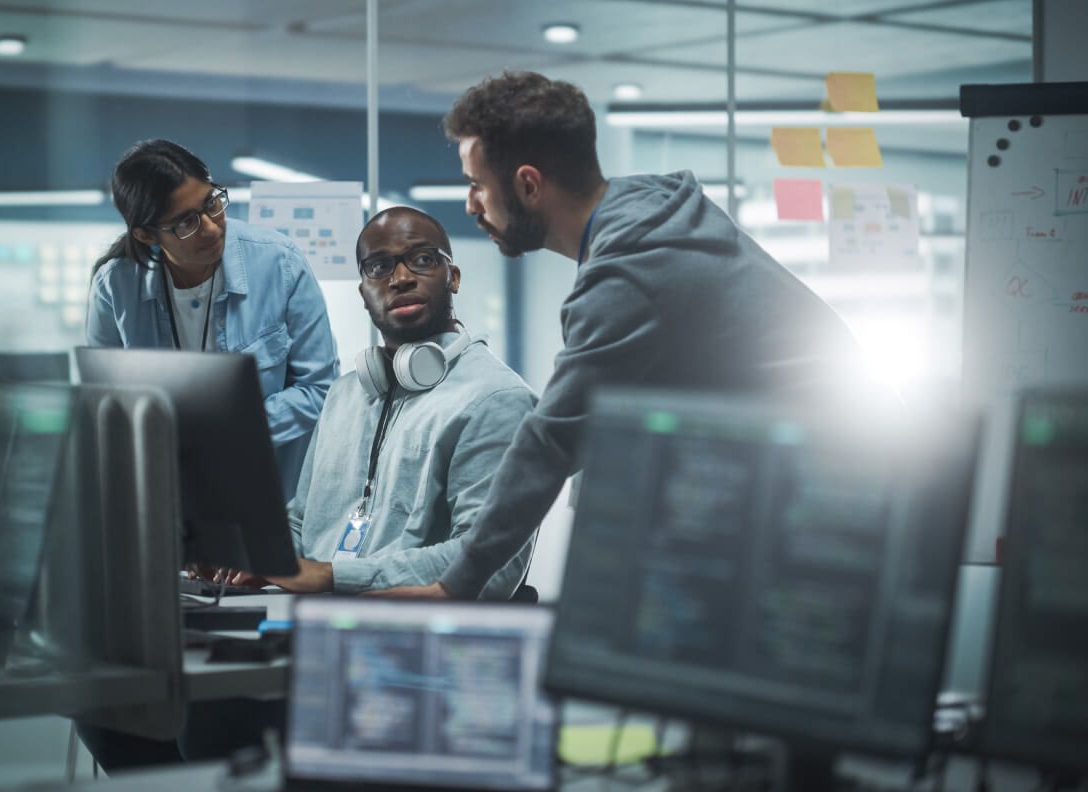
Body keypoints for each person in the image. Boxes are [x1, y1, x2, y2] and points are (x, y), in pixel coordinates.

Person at [380, 71, 864, 600]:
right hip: (816, 488)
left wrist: (455, 584)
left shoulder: (630, 271)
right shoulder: (650, 213)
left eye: (476, 184)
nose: (471, 204)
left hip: (827, 511)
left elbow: (551, 440)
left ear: (527, 185)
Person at [219, 206, 537, 600]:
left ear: (452, 277)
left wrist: (331, 576)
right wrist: (251, 555)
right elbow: (303, 522)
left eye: (422, 260)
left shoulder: (496, 399)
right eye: (379, 267)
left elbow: (492, 566)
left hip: (407, 634)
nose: (401, 278)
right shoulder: (344, 394)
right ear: (363, 292)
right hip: (311, 618)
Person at [86, 139, 338, 498]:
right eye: (186, 222)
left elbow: (320, 389)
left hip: (273, 494)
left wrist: (224, 428)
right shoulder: (115, 287)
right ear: (146, 234)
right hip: (167, 497)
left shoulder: (278, 262)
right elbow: (105, 406)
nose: (212, 227)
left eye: (211, 203)